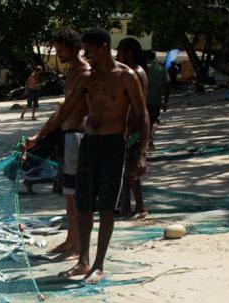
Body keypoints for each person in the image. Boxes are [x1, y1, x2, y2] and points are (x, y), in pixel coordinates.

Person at [41, 27, 148, 284]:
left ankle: (98, 264)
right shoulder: (88, 79)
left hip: (113, 145)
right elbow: (64, 111)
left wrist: (141, 152)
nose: (85, 55)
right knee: (83, 204)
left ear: (102, 48)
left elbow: (142, 115)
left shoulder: (126, 76)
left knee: (107, 207)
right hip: (89, 142)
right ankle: (83, 260)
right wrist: (39, 136)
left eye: (89, 50)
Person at [23, 27, 90, 258]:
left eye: (61, 50)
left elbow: (67, 112)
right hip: (66, 136)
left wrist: (39, 136)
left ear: (74, 48)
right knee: (68, 194)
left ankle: (79, 244)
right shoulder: (71, 73)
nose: (59, 54)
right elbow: (62, 111)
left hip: (78, 138)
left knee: (77, 194)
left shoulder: (85, 73)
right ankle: (71, 240)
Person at [116, 37, 149, 219]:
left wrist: (132, 128)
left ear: (128, 52)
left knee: (132, 169)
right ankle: (126, 206)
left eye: (120, 51)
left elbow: (138, 107)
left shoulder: (137, 73)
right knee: (125, 170)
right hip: (127, 127)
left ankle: (141, 207)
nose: (118, 55)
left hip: (134, 128)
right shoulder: (126, 72)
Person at [145, 50, 169, 149]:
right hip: (156, 100)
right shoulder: (161, 69)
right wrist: (165, 101)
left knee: (144, 121)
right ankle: (151, 137)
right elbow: (167, 86)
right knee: (154, 120)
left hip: (143, 100)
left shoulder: (143, 69)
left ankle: (143, 141)